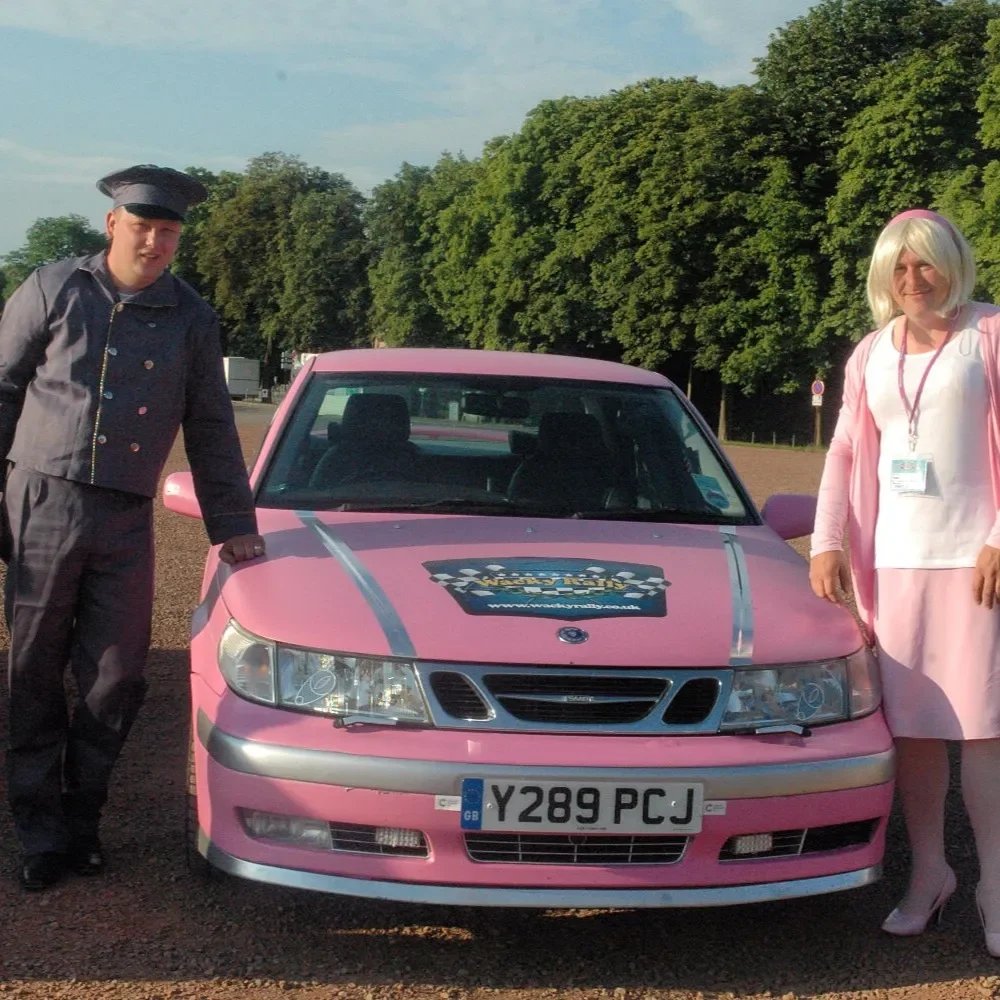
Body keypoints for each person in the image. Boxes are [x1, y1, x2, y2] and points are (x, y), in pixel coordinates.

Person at [0, 164, 266, 891]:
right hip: (40, 500)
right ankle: (41, 832)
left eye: (169, 232)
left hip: (123, 515)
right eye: (143, 226)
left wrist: (232, 522)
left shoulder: (191, 318)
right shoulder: (55, 288)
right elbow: (2, 387)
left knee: (116, 678)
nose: (154, 242)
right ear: (112, 225)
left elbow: (212, 427)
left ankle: (83, 820)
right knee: (31, 670)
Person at [810, 208, 1000, 957]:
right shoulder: (869, 353)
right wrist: (827, 541)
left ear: (952, 264)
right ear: (883, 277)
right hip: (894, 566)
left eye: (925, 264)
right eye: (899, 267)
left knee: (983, 733)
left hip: (975, 568)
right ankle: (929, 874)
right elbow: (846, 453)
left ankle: (995, 885)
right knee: (915, 737)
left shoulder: (989, 335)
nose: (913, 280)